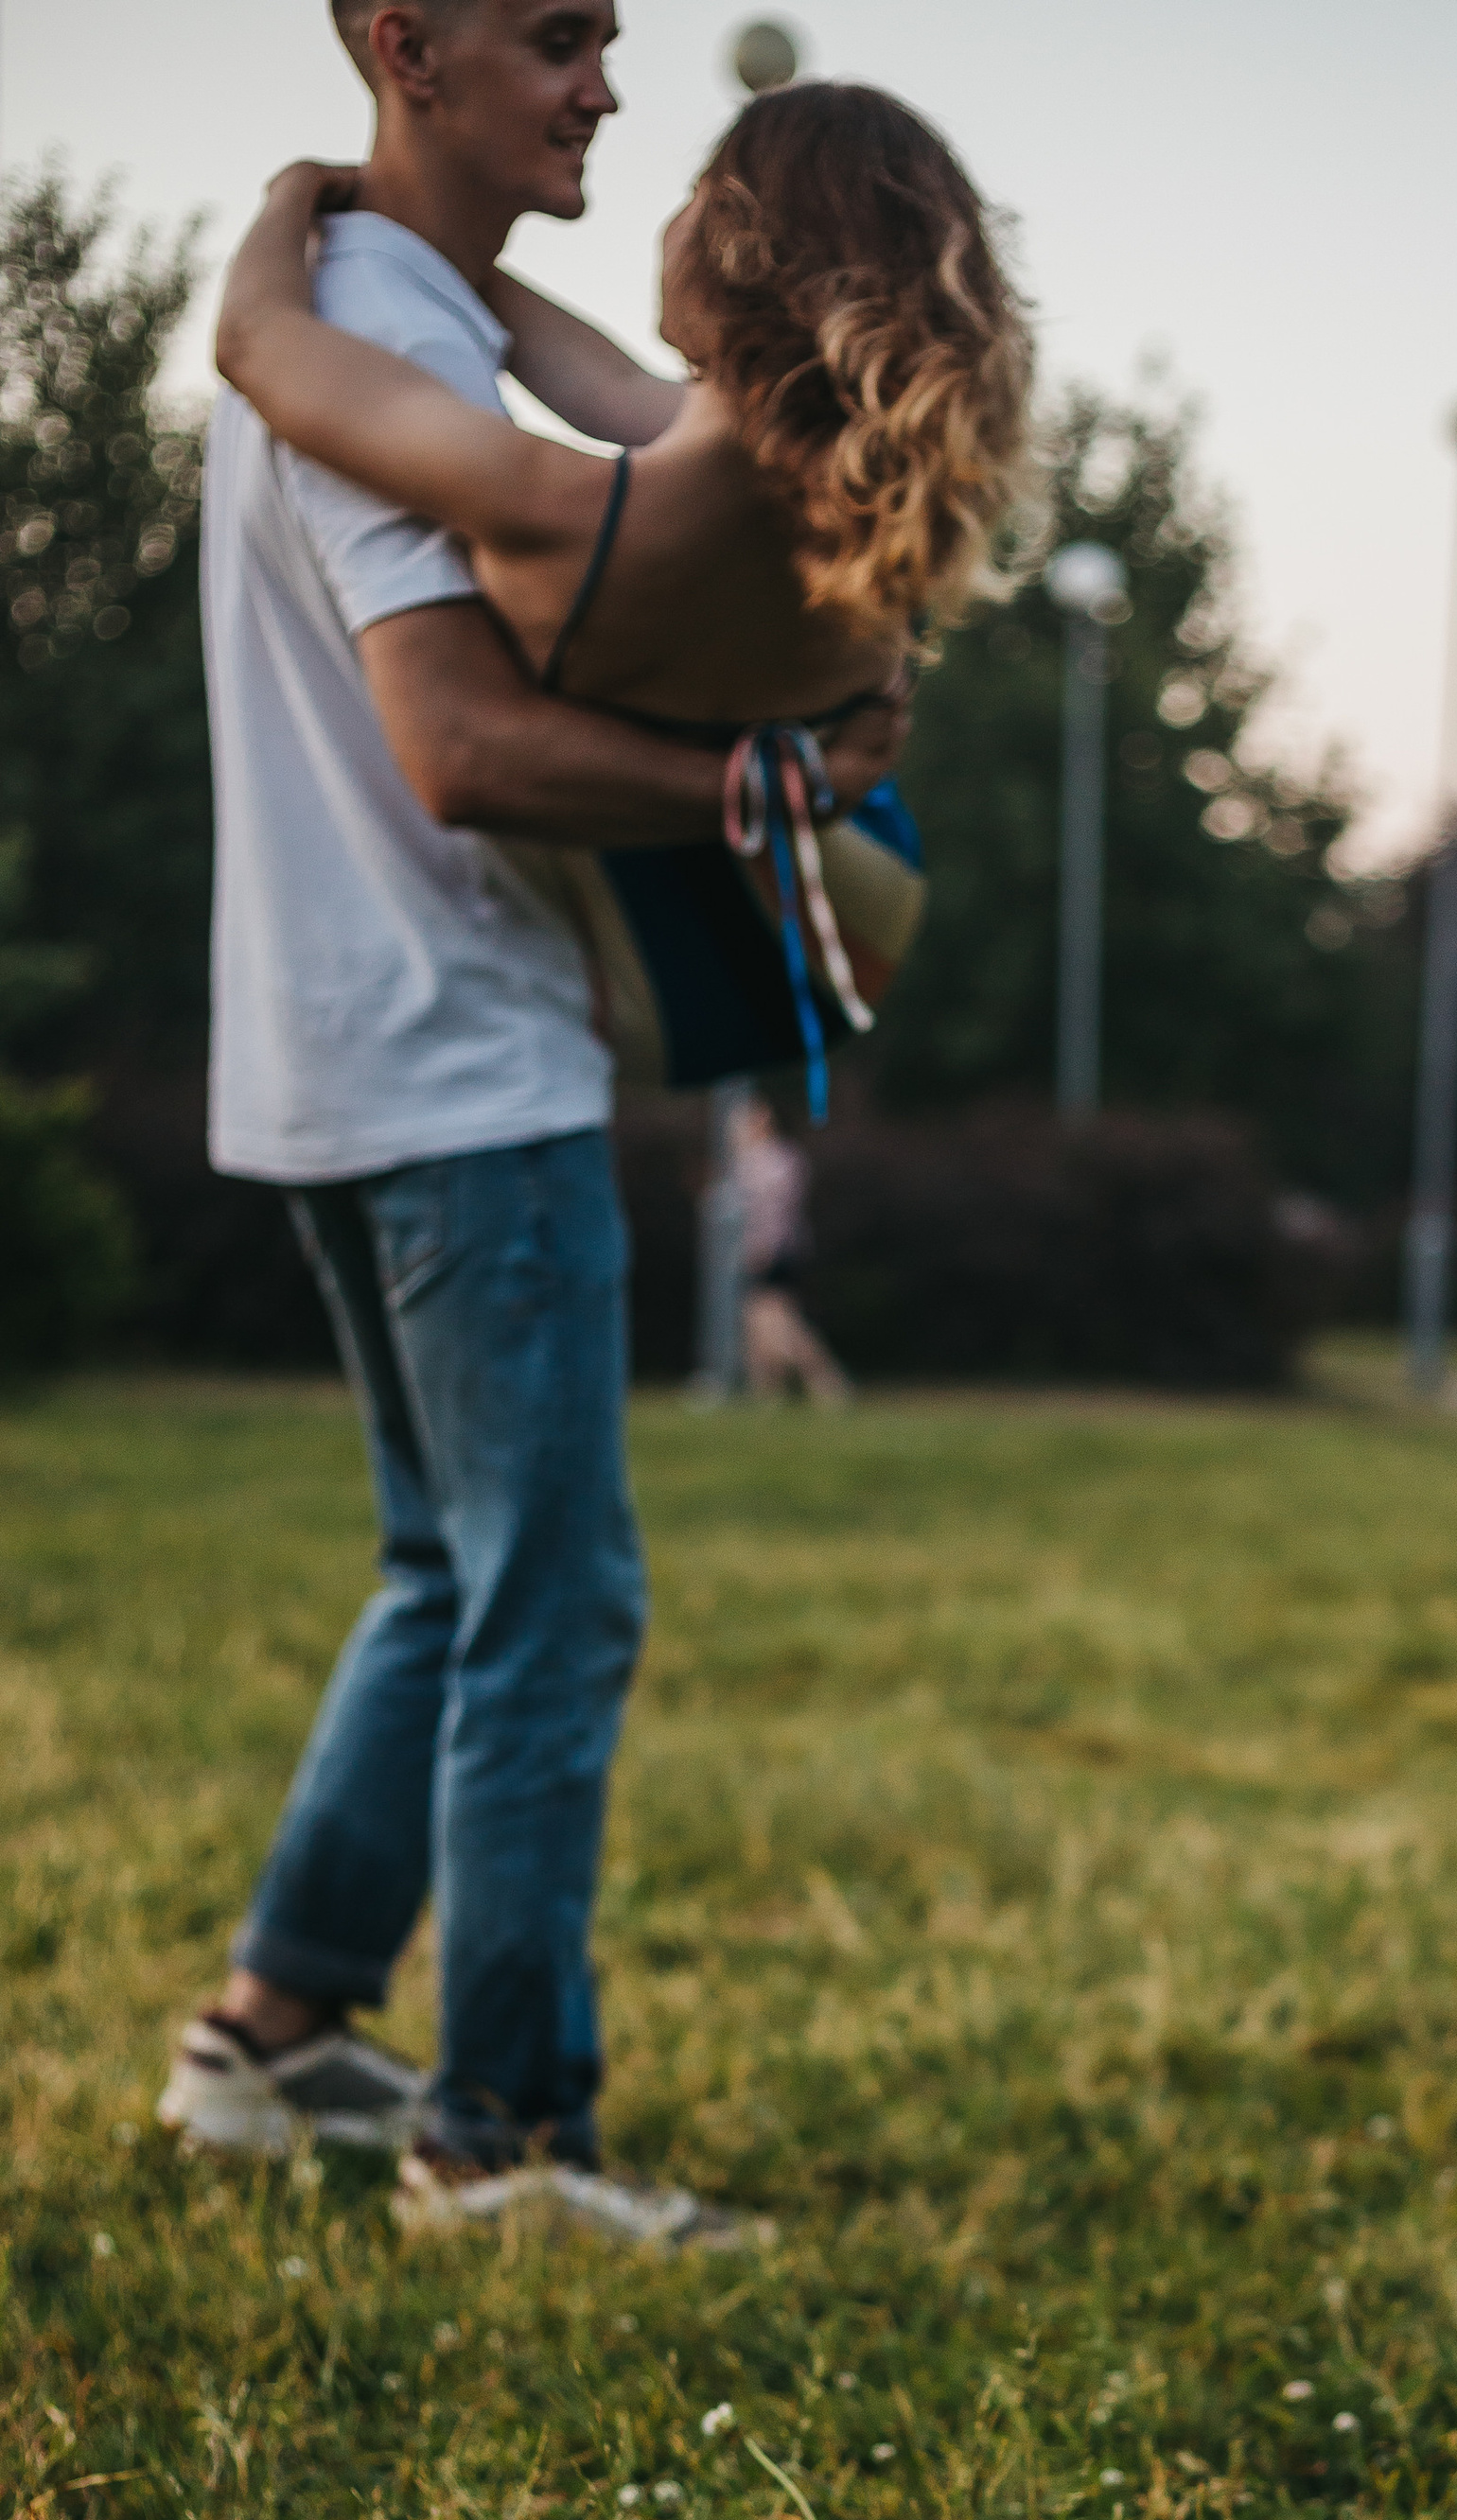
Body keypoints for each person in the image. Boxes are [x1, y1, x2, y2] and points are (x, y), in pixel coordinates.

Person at [157, 2, 1024, 2247]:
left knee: (449, 1575)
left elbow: (528, 422)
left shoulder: (391, 317)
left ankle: (272, 2032)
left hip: (353, 1037)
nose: (607, 88)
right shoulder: (392, 334)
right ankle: (501, 2144)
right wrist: (769, 784)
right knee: (547, 1607)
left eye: (611, 40)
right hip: (451, 1051)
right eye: (558, 39)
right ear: (406, 45)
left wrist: (282, 223)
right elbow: (455, 747)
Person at [729, 1095, 852, 1406]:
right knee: (757, 1320)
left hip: (775, 1249)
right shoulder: (761, 1160)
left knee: (774, 1320)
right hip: (773, 1247)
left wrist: (764, 1246)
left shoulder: (770, 1161)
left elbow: (776, 1211)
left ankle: (825, 1382)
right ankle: (768, 1392)